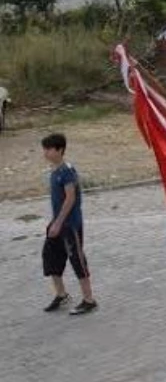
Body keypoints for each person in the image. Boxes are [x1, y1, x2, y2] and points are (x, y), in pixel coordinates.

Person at [41, 133, 97, 315]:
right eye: (45, 149)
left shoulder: (67, 171)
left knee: (77, 259)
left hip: (70, 225)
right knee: (50, 257)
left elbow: (70, 198)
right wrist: (54, 223)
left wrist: (58, 223)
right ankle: (61, 294)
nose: (46, 152)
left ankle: (89, 300)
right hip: (57, 223)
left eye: (49, 149)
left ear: (60, 150)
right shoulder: (55, 170)